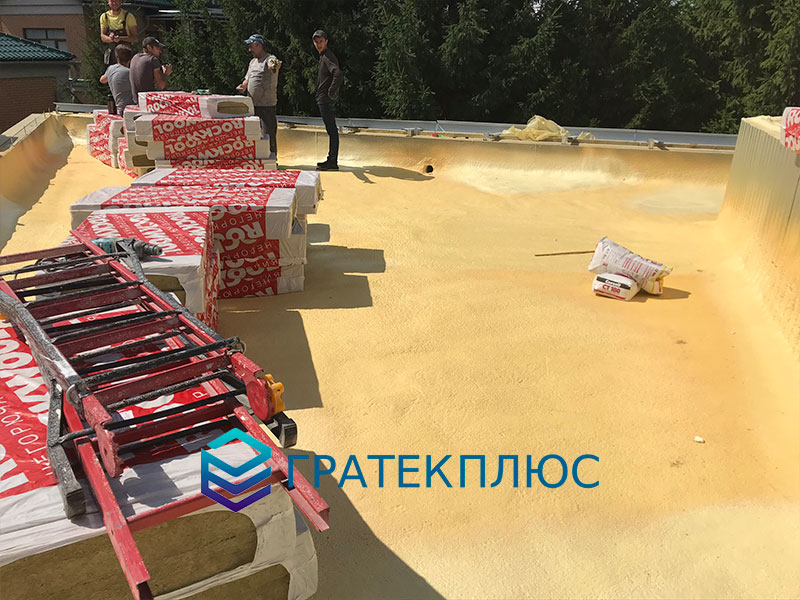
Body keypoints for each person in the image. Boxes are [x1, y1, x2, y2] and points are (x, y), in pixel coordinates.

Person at [237, 34, 281, 159]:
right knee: (254, 135)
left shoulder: (269, 59)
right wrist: (243, 86)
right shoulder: (252, 62)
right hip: (252, 106)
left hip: (267, 105)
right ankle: (258, 158)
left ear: (259, 46)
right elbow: (247, 79)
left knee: (268, 134)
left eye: (251, 46)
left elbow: (273, 64)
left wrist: (275, 65)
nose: (249, 50)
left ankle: (272, 159)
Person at [312, 30, 342, 171]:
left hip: (325, 99)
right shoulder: (324, 56)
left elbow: (337, 73)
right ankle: (331, 159)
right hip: (323, 98)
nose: (319, 44)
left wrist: (330, 92)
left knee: (332, 130)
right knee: (331, 130)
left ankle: (332, 161)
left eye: (321, 42)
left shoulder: (327, 56)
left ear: (326, 42)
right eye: (316, 42)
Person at [99, 0, 137, 66]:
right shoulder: (104, 17)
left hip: (127, 56)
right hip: (112, 56)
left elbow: (135, 38)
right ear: (108, 2)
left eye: (117, 1)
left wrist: (120, 38)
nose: (114, 3)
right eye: (112, 1)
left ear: (120, 2)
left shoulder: (129, 16)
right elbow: (103, 36)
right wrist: (111, 38)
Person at [100, 44, 134, 114]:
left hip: (119, 108)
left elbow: (102, 80)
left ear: (116, 57)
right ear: (130, 59)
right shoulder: (130, 73)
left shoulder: (111, 69)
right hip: (131, 109)